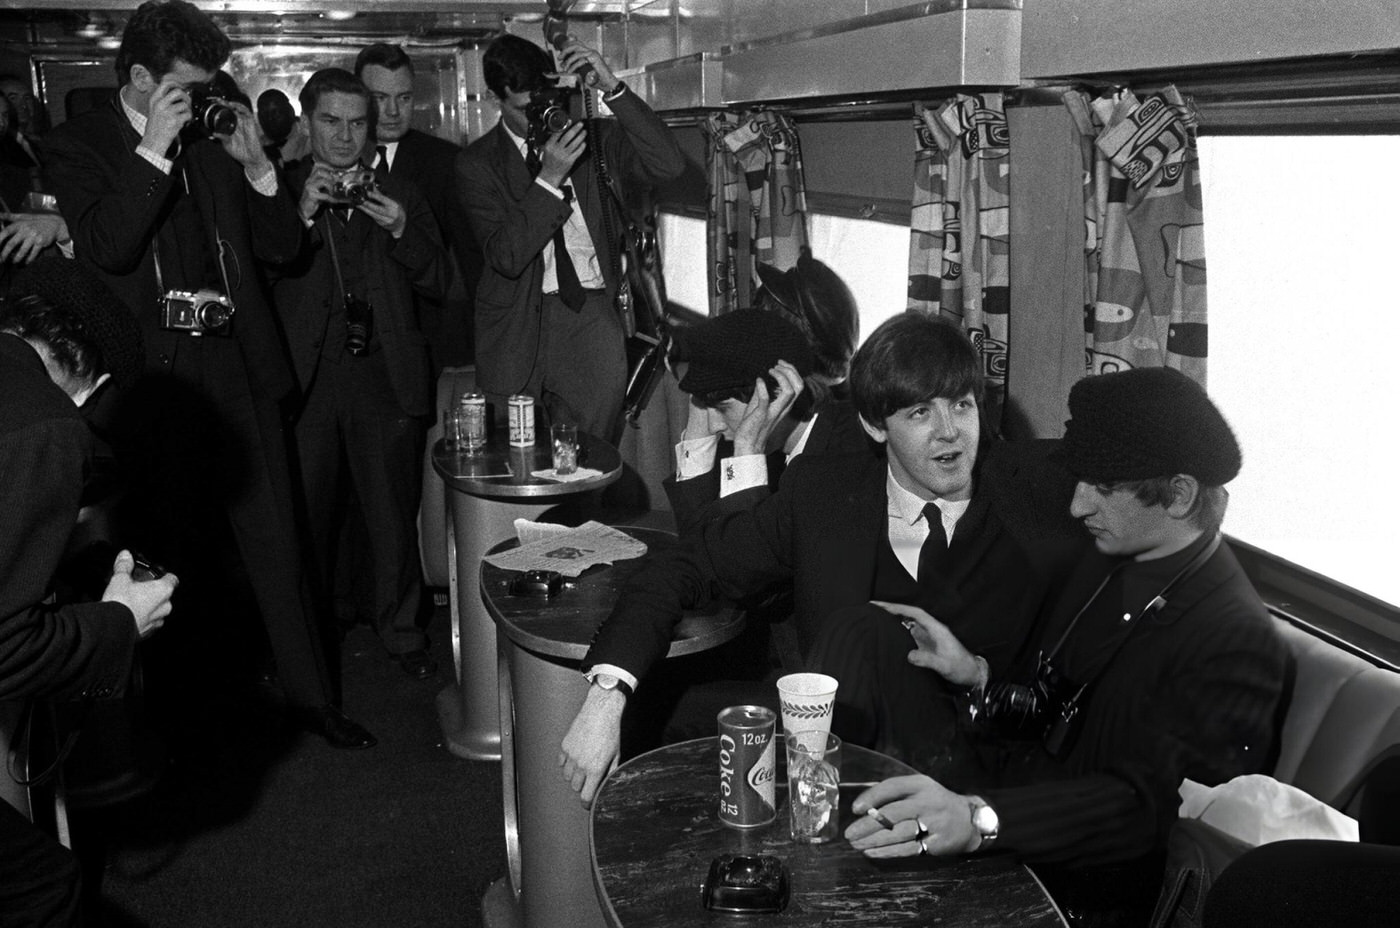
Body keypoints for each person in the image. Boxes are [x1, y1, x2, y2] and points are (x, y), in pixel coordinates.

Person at [560, 312, 1084, 803]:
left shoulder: (1039, 493)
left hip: (979, 769)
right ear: (876, 426)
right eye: (922, 412)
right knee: (663, 712)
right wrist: (608, 692)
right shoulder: (822, 496)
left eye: (962, 405)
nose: (949, 431)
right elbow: (687, 565)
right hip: (840, 763)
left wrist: (981, 676)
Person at [842, 367, 1290, 927]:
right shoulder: (1115, 565)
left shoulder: (1232, 640)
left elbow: (1143, 810)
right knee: (864, 635)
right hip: (1014, 805)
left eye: (1101, 488)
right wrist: (977, 676)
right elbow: (1060, 707)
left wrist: (977, 818)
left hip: (1083, 885)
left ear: (1178, 495)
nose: (1077, 506)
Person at [40, 0, 374, 749]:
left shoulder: (212, 139)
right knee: (170, 557)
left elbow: (284, 247)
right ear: (138, 78)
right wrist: (153, 148)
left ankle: (313, 701)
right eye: (182, 88)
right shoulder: (78, 145)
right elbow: (108, 248)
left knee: (277, 545)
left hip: (236, 367)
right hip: (154, 385)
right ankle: (183, 727)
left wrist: (258, 167)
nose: (195, 102)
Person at [0, 256, 178, 928]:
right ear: (95, 385)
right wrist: (119, 622)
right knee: (42, 890)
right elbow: (6, 647)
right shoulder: (47, 427)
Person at [274, 67, 448, 680]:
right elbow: (256, 281)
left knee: (392, 517)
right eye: (330, 121)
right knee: (309, 514)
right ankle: (314, 635)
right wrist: (297, 213)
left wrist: (400, 228)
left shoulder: (400, 190)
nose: (345, 136)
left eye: (356, 123)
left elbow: (442, 280)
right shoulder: (278, 187)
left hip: (384, 377)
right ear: (307, 123)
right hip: (308, 379)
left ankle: (402, 633)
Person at [456, 33, 684, 442]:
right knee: (518, 462)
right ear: (496, 100)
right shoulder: (476, 165)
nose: (543, 116)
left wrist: (612, 88)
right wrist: (549, 178)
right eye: (527, 109)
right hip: (514, 324)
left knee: (590, 459)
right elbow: (505, 256)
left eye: (549, 101)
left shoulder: (594, 140)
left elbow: (668, 165)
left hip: (589, 314)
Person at [665, 249, 864, 536]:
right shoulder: (769, 433)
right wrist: (699, 412)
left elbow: (734, 570)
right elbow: (700, 545)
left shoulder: (835, 467)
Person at [355, 42, 479, 371]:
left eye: (404, 98)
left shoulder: (448, 162)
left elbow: (470, 263)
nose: (394, 112)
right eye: (380, 99)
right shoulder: (338, 157)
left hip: (426, 344)